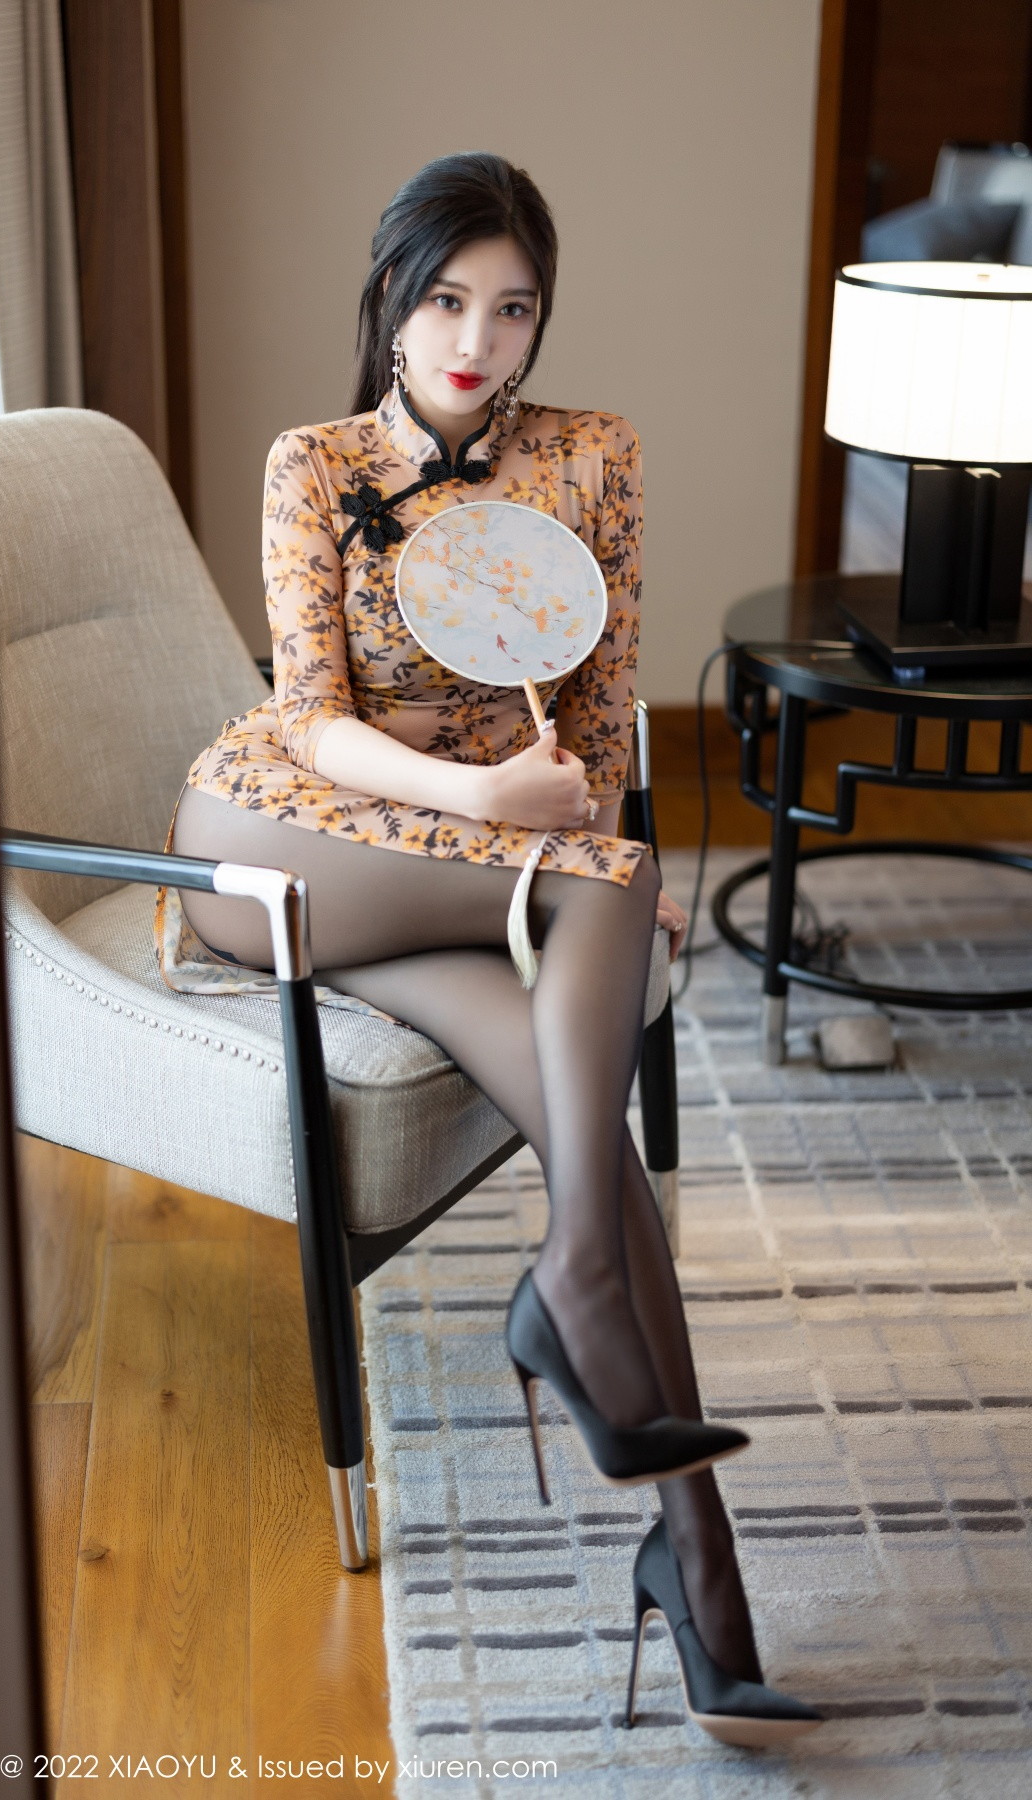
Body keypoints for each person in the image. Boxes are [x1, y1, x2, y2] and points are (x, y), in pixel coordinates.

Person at [164, 152, 819, 1743]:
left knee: (583, 1116)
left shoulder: (594, 457)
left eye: (513, 308)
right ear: (390, 301)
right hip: (279, 841)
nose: (477, 339)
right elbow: (308, 721)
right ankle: (576, 1287)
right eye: (447, 299)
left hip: (445, 885)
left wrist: (580, 837)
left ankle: (702, 1580)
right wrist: (515, 821)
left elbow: (600, 728)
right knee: (610, 891)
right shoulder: (315, 463)